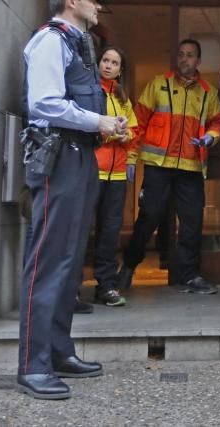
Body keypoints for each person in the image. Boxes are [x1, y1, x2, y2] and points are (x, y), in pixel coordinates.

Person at [16, 0, 128, 400]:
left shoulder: (78, 46)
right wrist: (97, 120)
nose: (98, 5)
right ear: (70, 1)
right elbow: (43, 102)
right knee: (48, 261)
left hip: (79, 156)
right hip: (59, 157)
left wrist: (101, 124)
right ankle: (32, 364)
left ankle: (59, 351)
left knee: (67, 260)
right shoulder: (50, 40)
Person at [117, 39, 220, 294]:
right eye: (181, 54)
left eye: (190, 55)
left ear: (198, 61)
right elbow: (138, 123)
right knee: (148, 218)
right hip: (158, 166)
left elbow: (218, 122)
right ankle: (128, 268)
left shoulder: (208, 92)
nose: (184, 59)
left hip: (191, 167)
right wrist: (131, 157)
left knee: (192, 223)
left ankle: (189, 275)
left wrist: (211, 136)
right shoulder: (158, 84)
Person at [91, 46, 138, 307]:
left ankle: (106, 286)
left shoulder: (122, 96)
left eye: (114, 63)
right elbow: (89, 126)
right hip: (92, 170)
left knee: (110, 232)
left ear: (121, 70)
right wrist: (111, 133)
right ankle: (73, 287)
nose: (108, 65)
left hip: (117, 174)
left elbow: (133, 129)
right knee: (82, 231)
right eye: (105, 60)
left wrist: (125, 135)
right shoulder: (90, 91)